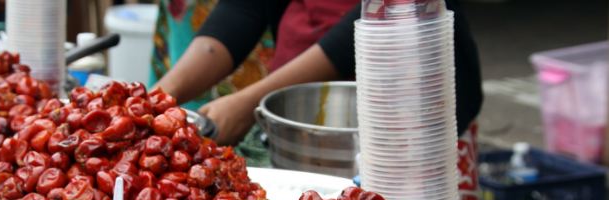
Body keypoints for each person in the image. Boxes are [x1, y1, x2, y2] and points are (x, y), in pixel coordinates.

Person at [155, 0, 483, 146]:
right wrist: (158, 98)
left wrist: (248, 104)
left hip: (412, 111)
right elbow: (245, 7)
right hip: (298, 107)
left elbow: (388, 8)